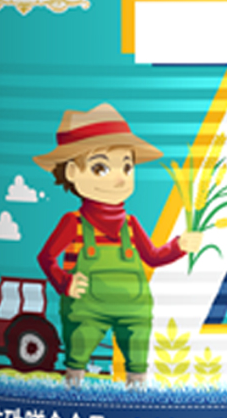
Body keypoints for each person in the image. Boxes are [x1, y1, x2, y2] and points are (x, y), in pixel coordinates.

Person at [34, 104, 202, 388]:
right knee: (77, 358)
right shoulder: (73, 223)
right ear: (73, 172)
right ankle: (72, 392)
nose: (120, 177)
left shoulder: (131, 224)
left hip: (133, 308)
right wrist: (64, 282)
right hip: (86, 309)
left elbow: (153, 256)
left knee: (137, 365)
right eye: (101, 168)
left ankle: (137, 399)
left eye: (127, 166)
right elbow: (46, 257)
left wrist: (179, 246)